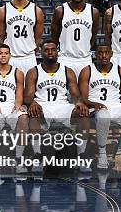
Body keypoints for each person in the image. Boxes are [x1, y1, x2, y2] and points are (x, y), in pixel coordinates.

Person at [78, 42, 121, 170]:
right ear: (95, 55)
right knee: (104, 116)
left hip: (117, 107)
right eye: (100, 52)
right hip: (96, 108)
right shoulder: (87, 70)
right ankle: (102, 155)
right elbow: (83, 98)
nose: (103, 55)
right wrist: (94, 104)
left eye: (106, 52)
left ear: (111, 54)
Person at [24, 39, 88, 172]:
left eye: (53, 49)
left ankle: (81, 156)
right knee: (33, 113)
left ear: (57, 52)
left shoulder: (67, 71)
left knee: (83, 114)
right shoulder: (34, 71)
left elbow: (75, 94)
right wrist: (33, 103)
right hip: (43, 106)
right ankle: (38, 156)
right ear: (40, 53)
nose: (50, 52)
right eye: (46, 50)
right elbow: (28, 96)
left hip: (63, 106)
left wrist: (80, 103)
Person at [0, 44, 29, 173]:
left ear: (10, 55)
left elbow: (19, 93)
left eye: (6, 53)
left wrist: (18, 105)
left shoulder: (18, 72)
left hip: (12, 105)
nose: (3, 55)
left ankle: (19, 158)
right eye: (0, 53)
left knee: (24, 118)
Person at [50, 0, 100, 77]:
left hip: (85, 59)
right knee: (65, 91)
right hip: (65, 58)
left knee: (84, 91)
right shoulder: (60, 11)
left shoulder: (93, 12)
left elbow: (94, 33)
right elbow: (54, 34)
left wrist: (87, 46)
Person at [0, 0, 45, 74]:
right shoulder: (3, 10)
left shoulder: (36, 10)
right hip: (11, 57)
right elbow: (0, 37)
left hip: (29, 57)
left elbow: (38, 36)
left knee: (30, 88)